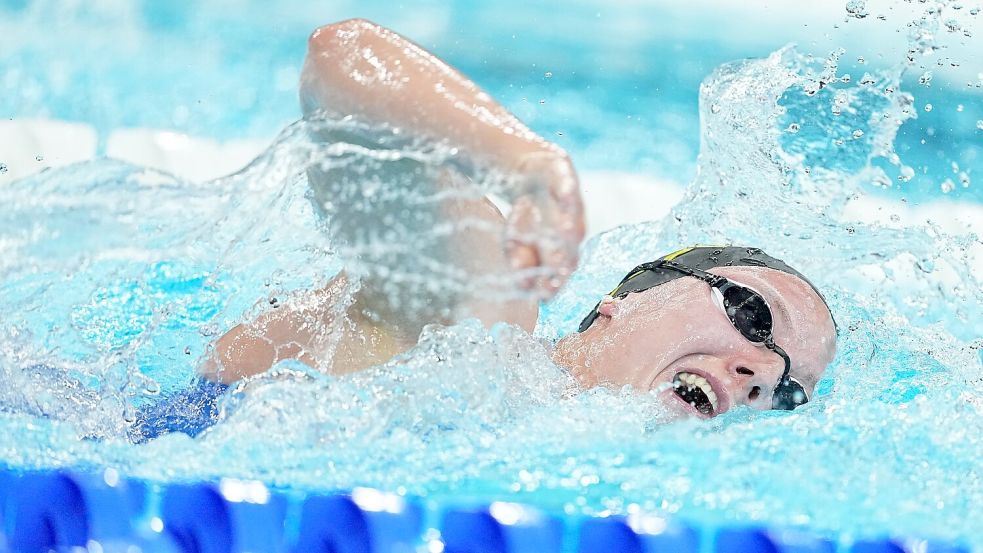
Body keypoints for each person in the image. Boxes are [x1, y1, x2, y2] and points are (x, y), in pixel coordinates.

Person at [132, 19, 836, 441]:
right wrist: (523, 165)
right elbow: (340, 61)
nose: (761, 374)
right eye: (750, 314)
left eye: (787, 393)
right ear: (617, 304)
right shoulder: (477, 329)